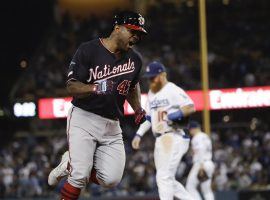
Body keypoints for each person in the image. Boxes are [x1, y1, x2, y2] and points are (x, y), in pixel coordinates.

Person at [47, 11, 147, 200]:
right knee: (79, 177)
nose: (136, 37)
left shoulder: (135, 59)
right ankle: (75, 166)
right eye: (132, 31)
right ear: (117, 28)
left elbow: (133, 86)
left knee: (111, 179)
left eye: (139, 34)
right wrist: (95, 87)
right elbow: (71, 86)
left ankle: (71, 162)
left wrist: (138, 108)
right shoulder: (89, 50)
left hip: (112, 123)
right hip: (84, 118)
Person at [132, 61, 195, 200]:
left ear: (163, 75)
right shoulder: (151, 93)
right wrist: (139, 134)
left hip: (174, 135)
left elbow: (190, 106)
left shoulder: (172, 89)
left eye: (153, 76)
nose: (151, 80)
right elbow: (148, 117)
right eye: (149, 77)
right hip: (160, 139)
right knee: (167, 179)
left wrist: (175, 115)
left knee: (163, 177)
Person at [186, 121, 215, 200]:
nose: (190, 131)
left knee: (190, 187)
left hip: (201, 164)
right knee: (207, 191)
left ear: (193, 129)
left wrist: (201, 165)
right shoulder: (205, 136)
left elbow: (201, 149)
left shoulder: (197, 137)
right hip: (209, 163)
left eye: (190, 129)